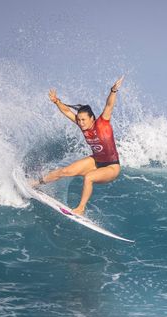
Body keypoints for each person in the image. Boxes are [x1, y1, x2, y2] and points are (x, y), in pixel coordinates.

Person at [30, 76, 124, 216]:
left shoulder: (102, 123)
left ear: (92, 118)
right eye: (79, 120)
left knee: (89, 177)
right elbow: (68, 112)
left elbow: (109, 105)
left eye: (83, 119)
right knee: (65, 171)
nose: (80, 122)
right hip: (96, 161)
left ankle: (80, 209)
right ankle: (36, 183)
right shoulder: (83, 126)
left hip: (112, 167)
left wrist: (113, 90)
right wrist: (56, 101)